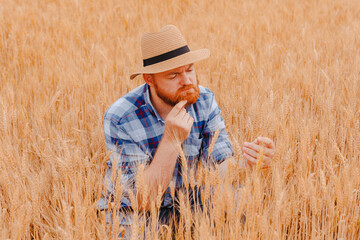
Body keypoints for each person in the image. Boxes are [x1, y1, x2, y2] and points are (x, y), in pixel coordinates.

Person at [99, 25, 276, 238]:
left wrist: (247, 161)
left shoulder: (203, 100)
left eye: (190, 69)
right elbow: (143, 199)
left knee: (239, 198)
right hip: (132, 211)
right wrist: (171, 140)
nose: (187, 81)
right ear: (149, 79)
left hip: (183, 198)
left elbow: (218, 167)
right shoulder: (121, 117)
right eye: (174, 75)